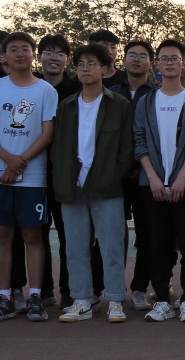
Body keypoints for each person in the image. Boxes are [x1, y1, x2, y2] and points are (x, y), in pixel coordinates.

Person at [0, 32, 59, 323]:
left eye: (26, 48)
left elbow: (47, 133)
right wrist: (9, 159)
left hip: (33, 177)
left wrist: (20, 161)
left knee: (32, 235)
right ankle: (4, 297)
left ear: (33, 54)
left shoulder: (46, 90)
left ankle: (35, 296)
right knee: (1, 234)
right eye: (14, 49)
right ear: (4, 56)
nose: (20, 54)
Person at [53, 44, 135, 324]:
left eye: (92, 63)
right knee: (75, 247)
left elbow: (127, 148)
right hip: (72, 185)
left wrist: (114, 174)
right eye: (81, 64)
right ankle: (82, 300)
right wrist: (62, 176)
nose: (85, 68)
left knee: (112, 246)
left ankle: (115, 299)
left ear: (105, 68)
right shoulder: (66, 106)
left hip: (107, 185)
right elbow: (58, 147)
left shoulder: (119, 104)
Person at [134, 40, 185, 323]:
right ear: (157, 64)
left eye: (174, 58)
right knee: (158, 246)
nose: (169, 63)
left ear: (183, 63)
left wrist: (181, 177)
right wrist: (153, 178)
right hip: (152, 186)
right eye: (164, 58)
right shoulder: (146, 101)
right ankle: (163, 301)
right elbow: (139, 141)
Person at [108, 40, 160, 310]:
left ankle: (140, 288)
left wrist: (142, 167)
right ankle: (108, 289)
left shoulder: (157, 94)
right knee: (110, 235)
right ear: (123, 60)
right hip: (113, 176)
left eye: (142, 56)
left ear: (151, 63)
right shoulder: (109, 92)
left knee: (147, 234)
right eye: (132, 55)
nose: (137, 59)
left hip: (144, 174)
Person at [38, 33, 84, 309]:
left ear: (67, 60)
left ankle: (70, 290)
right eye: (48, 52)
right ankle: (43, 290)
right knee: (36, 235)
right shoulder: (29, 86)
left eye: (59, 53)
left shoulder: (78, 89)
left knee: (70, 235)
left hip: (68, 174)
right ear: (39, 57)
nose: (53, 58)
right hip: (33, 172)